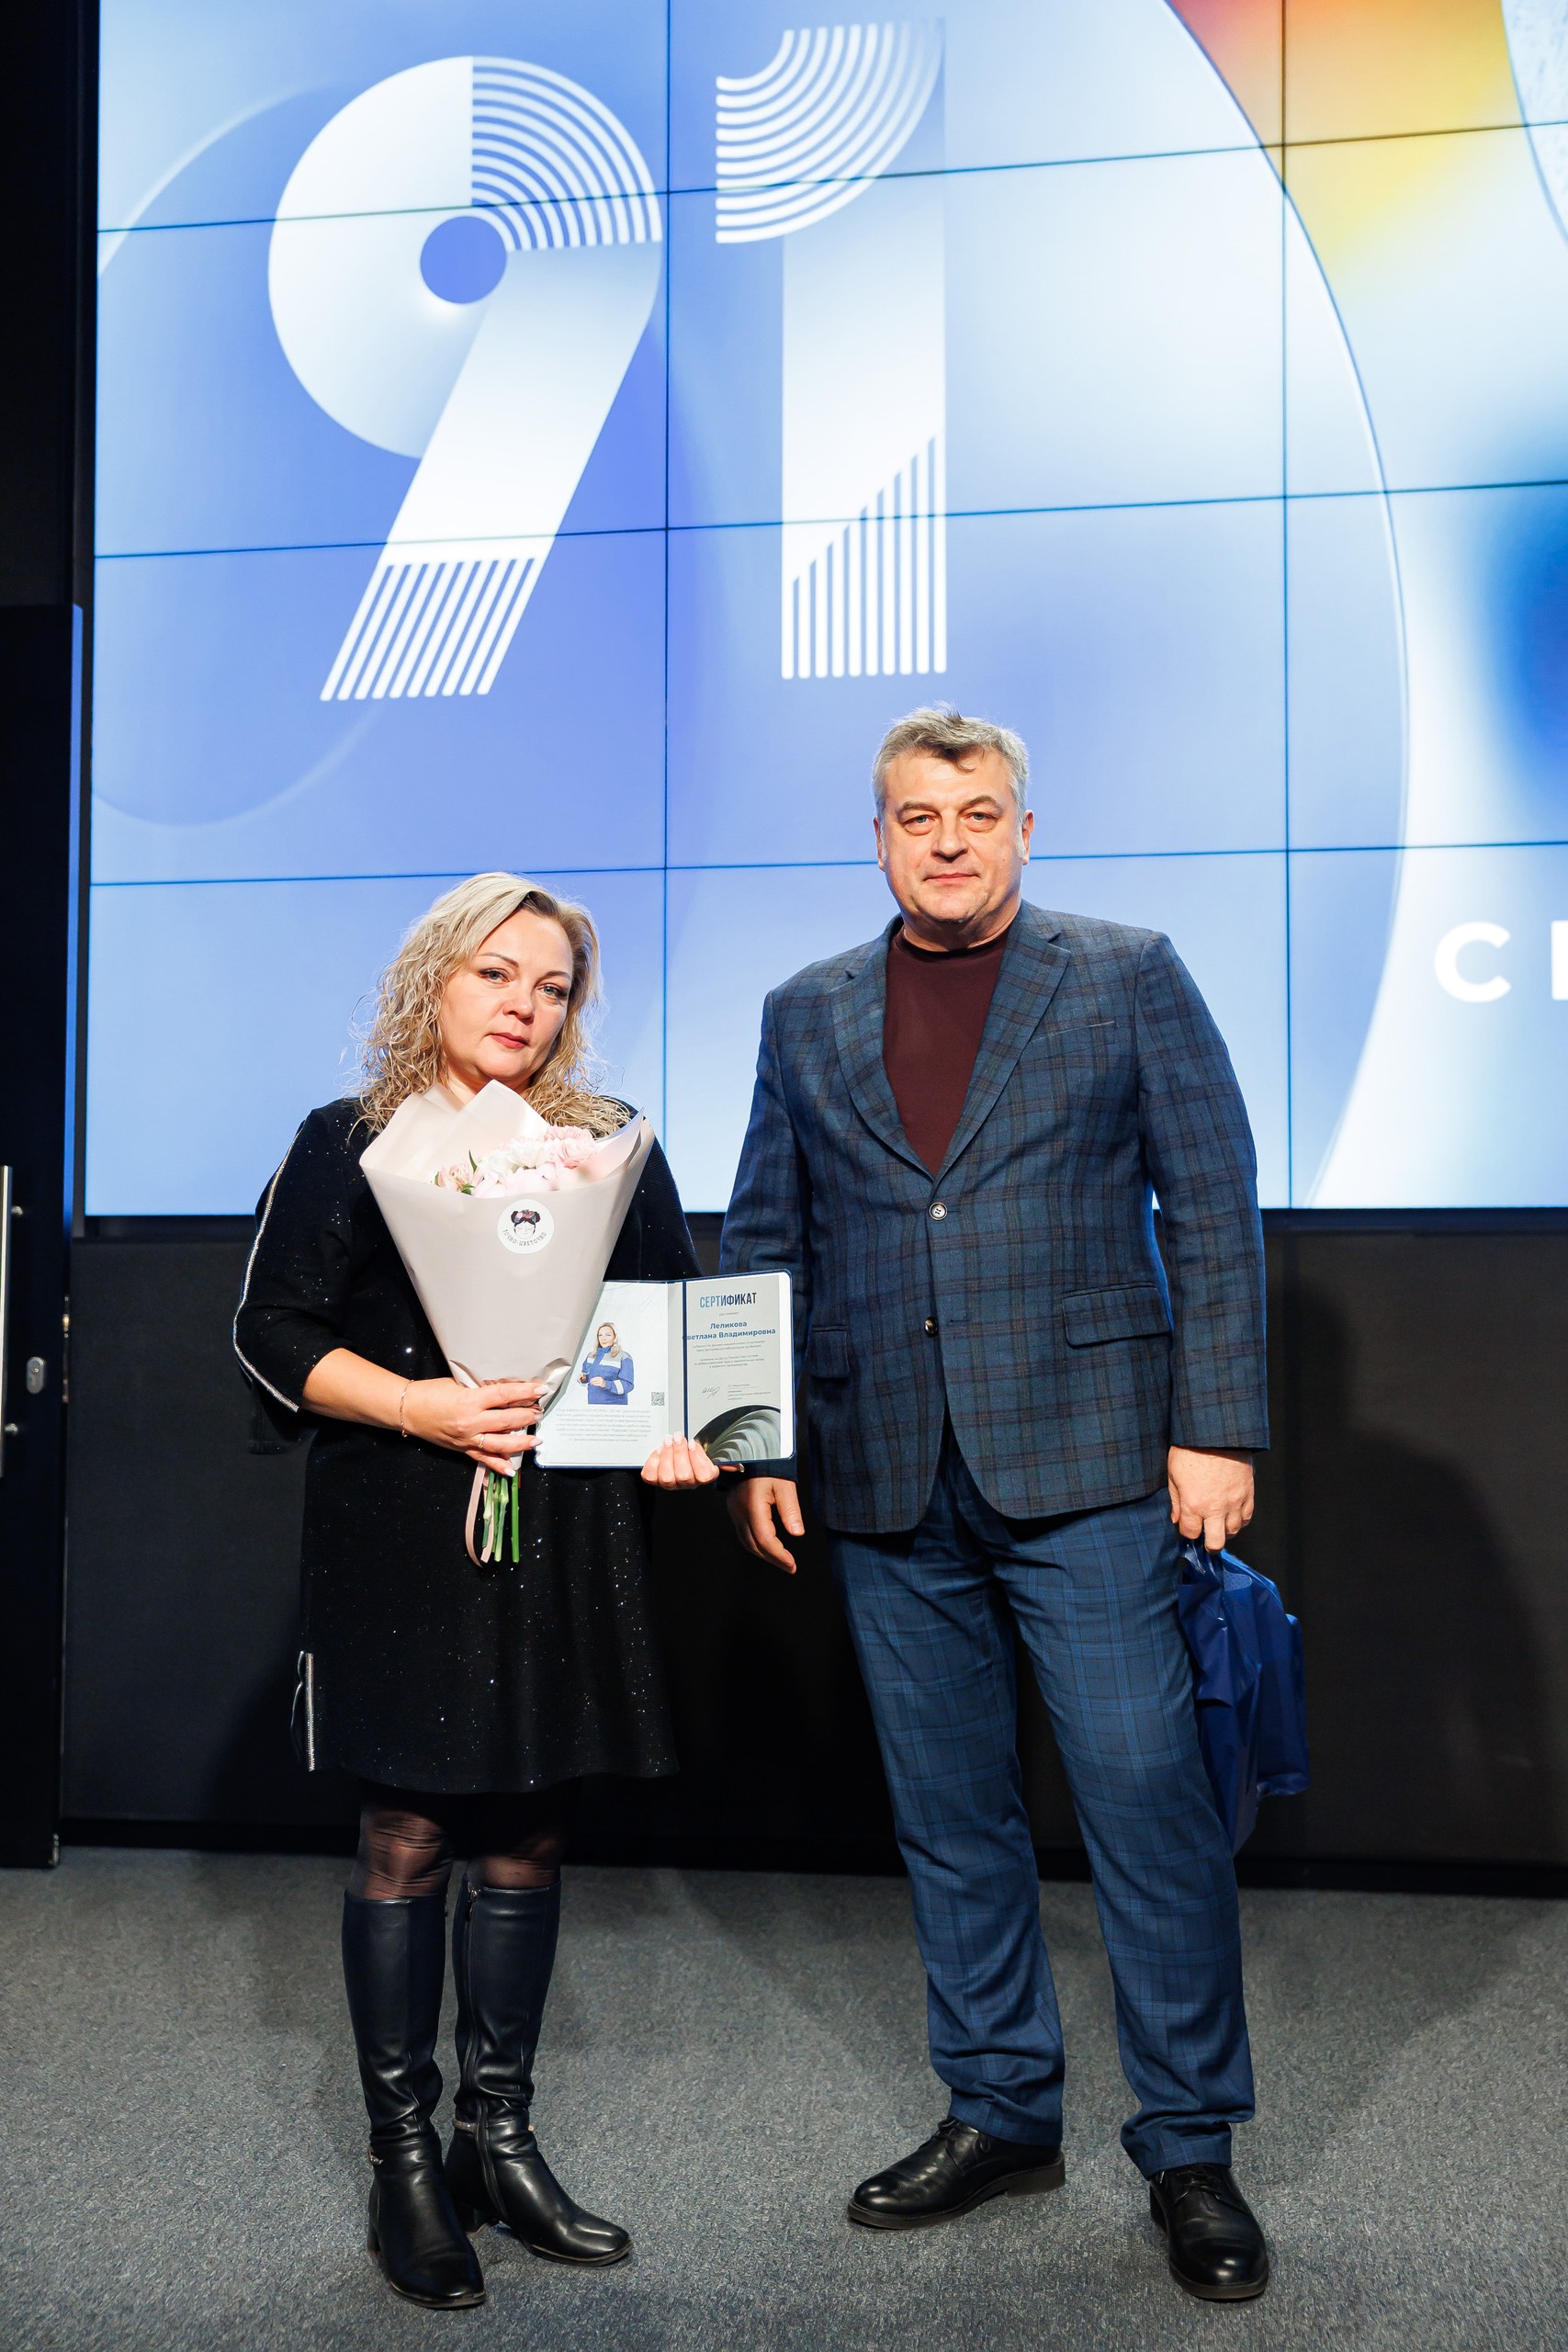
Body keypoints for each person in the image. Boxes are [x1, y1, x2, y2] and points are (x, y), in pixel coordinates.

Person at [720, 709, 1272, 2302]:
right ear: (879, 839)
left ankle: (1187, 2146)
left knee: (1144, 1805)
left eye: (976, 814)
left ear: (1024, 828)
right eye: (917, 817)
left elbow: (1211, 1205)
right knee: (948, 1814)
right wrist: (757, 1442)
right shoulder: (804, 1008)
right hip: (881, 1468)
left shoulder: (1126, 973)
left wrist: (1214, 1427)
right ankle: (999, 2106)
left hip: (1090, 1460)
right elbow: (763, 1235)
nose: (947, 841)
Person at [234, 873, 713, 2312]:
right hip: (399, 1517)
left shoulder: (607, 1145)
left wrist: (690, 1428)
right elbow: (270, 1329)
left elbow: (673, 1327)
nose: (524, 1005)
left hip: (565, 1524)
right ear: (432, 980)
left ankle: (496, 2142)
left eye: (552, 986)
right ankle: (404, 2163)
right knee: (407, 1831)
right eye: (496, 973)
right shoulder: (351, 1141)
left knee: (530, 1825)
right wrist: (421, 1407)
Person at [580, 1322, 633, 1403]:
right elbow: (586, 1375)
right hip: (592, 1404)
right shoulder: (591, 1356)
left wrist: (606, 1384)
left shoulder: (623, 1357)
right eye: (600, 1335)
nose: (603, 1338)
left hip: (614, 1405)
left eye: (608, 1335)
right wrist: (584, 1378)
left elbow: (628, 1385)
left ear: (615, 1337)